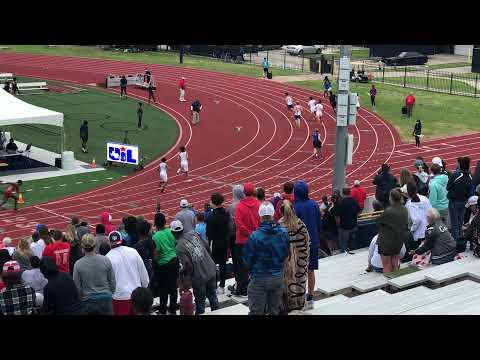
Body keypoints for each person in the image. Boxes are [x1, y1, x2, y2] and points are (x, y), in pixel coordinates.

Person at [243, 202, 289, 315]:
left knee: (256, 312)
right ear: (273, 214)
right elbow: (286, 254)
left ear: (260, 215)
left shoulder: (255, 236)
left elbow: (247, 259)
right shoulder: (283, 232)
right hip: (277, 276)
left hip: (259, 277)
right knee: (274, 310)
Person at [172, 220, 219, 315]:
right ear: (183, 229)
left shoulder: (179, 247)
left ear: (173, 233)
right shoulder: (194, 234)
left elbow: (188, 265)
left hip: (199, 277)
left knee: (200, 303)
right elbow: (207, 247)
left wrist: (187, 275)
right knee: (213, 297)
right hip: (210, 269)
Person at [105, 231, 149, 315]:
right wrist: (144, 288)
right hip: (137, 296)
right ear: (121, 240)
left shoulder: (107, 258)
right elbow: (143, 273)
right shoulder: (133, 251)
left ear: (110, 243)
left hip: (119, 297)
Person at [293, 180, 321, 310]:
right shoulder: (314, 204)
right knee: (311, 271)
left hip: (299, 244)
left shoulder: (296, 207)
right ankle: (310, 297)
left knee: (299, 271)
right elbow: (318, 223)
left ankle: (299, 298)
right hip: (313, 242)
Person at [278, 200, 310, 313]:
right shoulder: (301, 224)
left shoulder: (279, 226)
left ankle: (288, 306)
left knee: (287, 284)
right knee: (300, 282)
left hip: (285, 265)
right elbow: (307, 243)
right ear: (293, 210)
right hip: (300, 263)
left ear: (281, 212)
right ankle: (300, 305)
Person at [73, 234, 116, 315]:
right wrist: (110, 293)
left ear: (82, 247)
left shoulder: (78, 264)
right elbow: (112, 281)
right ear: (95, 245)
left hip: (88, 301)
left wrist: (82, 298)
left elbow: (77, 287)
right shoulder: (106, 260)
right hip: (106, 299)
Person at [232, 182, 261, 297]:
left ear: (244, 192)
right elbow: (261, 221)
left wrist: (248, 233)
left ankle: (242, 289)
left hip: (242, 240)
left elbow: (238, 223)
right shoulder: (259, 204)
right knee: (256, 263)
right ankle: (257, 286)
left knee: (242, 266)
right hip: (256, 239)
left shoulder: (239, 207)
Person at [152, 212, 179, 315]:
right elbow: (175, 244)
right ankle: (173, 310)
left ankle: (163, 310)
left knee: (163, 289)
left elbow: (157, 253)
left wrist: (155, 261)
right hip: (174, 261)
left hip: (164, 264)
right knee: (173, 287)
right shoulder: (170, 231)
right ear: (164, 222)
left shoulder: (155, 236)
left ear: (155, 223)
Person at [377, 189, 409, 273]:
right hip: (398, 240)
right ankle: (396, 282)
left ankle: (388, 285)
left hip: (386, 242)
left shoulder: (388, 211)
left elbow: (378, 221)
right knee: (395, 262)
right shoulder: (404, 209)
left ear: (391, 198)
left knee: (387, 264)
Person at [205, 192, 229, 294]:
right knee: (223, 264)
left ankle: (213, 285)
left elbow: (208, 234)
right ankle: (222, 285)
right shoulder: (226, 214)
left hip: (214, 243)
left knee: (212, 265)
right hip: (225, 242)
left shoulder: (211, 217)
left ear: (213, 202)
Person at [447, 156, 473, 244]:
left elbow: (448, 187)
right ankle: (460, 242)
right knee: (460, 223)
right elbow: (471, 190)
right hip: (464, 202)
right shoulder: (470, 176)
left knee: (455, 224)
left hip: (454, 202)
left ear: (460, 165)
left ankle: (456, 244)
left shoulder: (456, 175)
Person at [227, 184, 245, 294]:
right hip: (248, 236)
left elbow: (230, 226)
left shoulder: (232, 207)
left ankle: (240, 286)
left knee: (238, 262)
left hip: (236, 238)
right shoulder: (247, 204)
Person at [405, 181, 432, 253]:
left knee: (420, 254)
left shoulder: (409, 204)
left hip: (419, 234)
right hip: (428, 230)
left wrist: (412, 230)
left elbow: (417, 220)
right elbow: (431, 212)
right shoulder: (424, 198)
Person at [336, 187, 360, 254]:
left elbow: (337, 216)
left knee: (344, 245)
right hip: (354, 225)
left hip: (344, 227)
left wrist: (338, 225)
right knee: (353, 243)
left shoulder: (340, 203)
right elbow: (358, 211)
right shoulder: (354, 201)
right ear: (350, 192)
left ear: (343, 193)